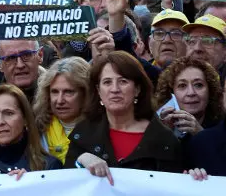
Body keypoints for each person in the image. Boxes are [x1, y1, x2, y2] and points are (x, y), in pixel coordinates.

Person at [66, 52, 183, 182]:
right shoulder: (82, 134)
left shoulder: (164, 140)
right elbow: (67, 187)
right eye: (107, 82)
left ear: (137, 89)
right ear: (98, 91)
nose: (115, 89)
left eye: (123, 81)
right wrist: (80, 161)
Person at [32, 57, 90, 164]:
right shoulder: (37, 128)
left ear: (85, 93)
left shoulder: (101, 126)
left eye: (68, 92)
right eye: (54, 92)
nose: (59, 100)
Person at [154, 57, 224, 135]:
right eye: (182, 85)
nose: (191, 93)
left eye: (198, 85)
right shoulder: (157, 124)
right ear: (171, 91)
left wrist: (202, 135)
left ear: (210, 90)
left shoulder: (222, 127)